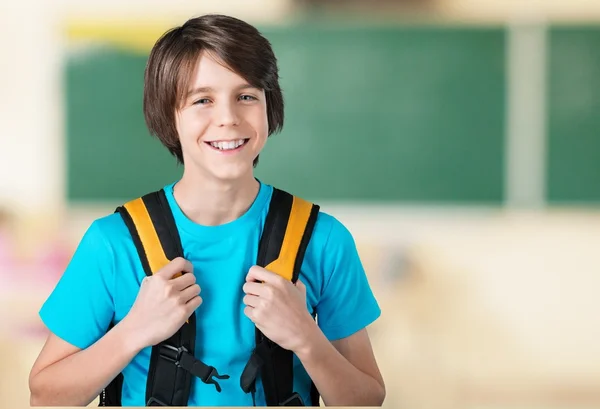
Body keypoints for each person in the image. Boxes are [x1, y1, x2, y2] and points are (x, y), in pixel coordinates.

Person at [28, 14, 385, 407]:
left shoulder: (324, 240)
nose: (229, 118)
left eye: (247, 96)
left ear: (270, 107)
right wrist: (133, 331)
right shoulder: (113, 243)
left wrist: (306, 337)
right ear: (170, 116)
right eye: (203, 100)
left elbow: (366, 399)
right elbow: (45, 396)